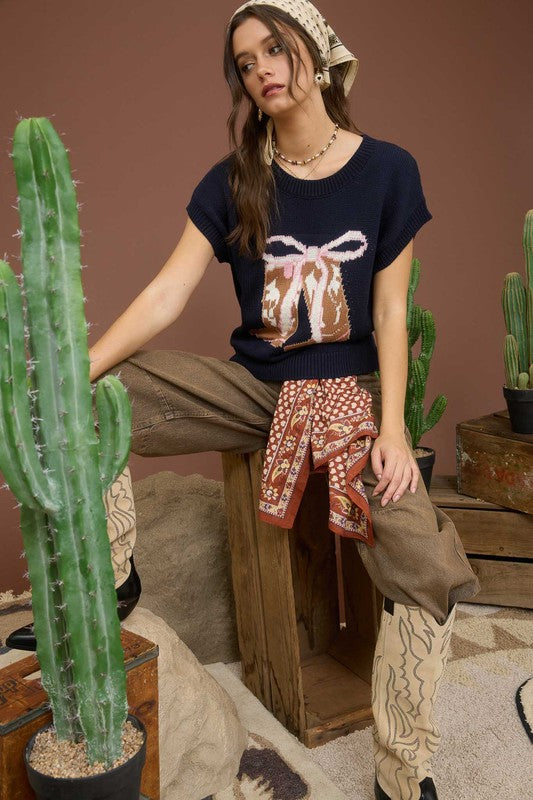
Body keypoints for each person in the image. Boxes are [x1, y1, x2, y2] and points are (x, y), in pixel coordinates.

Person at [25, 2, 482, 798]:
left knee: (428, 563)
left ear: (318, 51)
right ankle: (111, 577)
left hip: (348, 397)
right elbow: (166, 294)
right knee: (106, 391)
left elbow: (389, 312)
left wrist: (393, 429)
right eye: (244, 62)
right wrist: (76, 371)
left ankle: (402, 770)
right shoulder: (232, 180)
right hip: (255, 390)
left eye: (275, 48)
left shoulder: (388, 170)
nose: (261, 69)